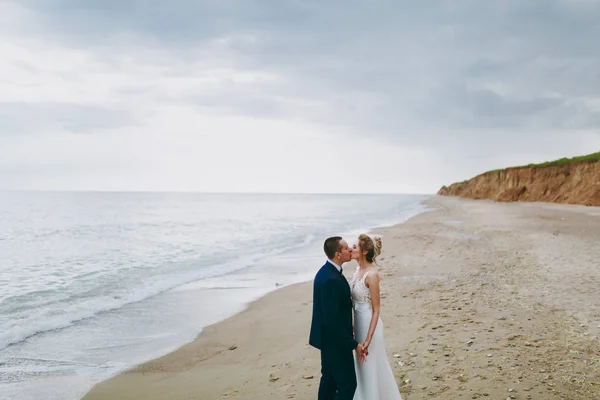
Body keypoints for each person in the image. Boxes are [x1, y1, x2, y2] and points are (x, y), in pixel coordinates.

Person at [309, 236, 366, 400]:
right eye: (346, 248)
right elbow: (331, 320)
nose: (350, 250)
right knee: (348, 385)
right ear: (337, 254)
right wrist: (353, 343)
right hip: (334, 342)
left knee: (329, 381)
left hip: (328, 339)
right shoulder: (330, 279)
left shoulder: (328, 271)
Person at [350, 234, 403, 400]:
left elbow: (376, 310)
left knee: (371, 366)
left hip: (369, 325)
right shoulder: (358, 270)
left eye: (355, 247)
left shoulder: (372, 275)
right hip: (357, 324)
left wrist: (368, 340)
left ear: (365, 251)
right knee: (361, 368)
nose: (351, 249)